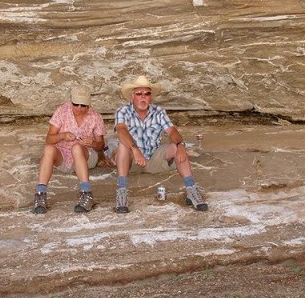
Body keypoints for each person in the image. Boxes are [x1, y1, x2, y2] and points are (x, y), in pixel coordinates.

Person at [110, 74, 208, 213]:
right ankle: (122, 194)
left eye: (147, 93)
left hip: (154, 158)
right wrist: (135, 149)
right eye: (139, 94)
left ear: (151, 96)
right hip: (132, 161)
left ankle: (192, 191)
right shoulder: (123, 111)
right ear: (132, 96)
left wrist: (180, 146)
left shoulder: (159, 112)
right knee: (123, 146)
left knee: (176, 146)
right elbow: (121, 131)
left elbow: (172, 131)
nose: (143, 97)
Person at [32, 85, 105, 214]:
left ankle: (86, 194)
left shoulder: (95, 116)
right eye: (76, 104)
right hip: (64, 156)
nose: (79, 108)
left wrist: (92, 143)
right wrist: (62, 136)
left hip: (86, 156)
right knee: (49, 149)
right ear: (71, 101)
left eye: (83, 105)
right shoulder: (62, 111)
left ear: (89, 105)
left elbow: (101, 146)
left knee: (77, 147)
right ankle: (40, 195)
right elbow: (48, 139)